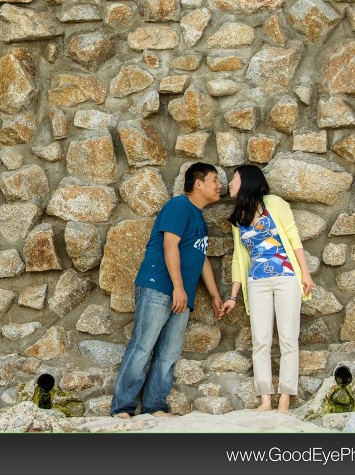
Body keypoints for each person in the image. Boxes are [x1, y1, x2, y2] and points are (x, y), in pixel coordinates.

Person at [110, 162, 223, 419]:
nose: (219, 186)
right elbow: (169, 246)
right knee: (142, 347)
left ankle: (155, 406)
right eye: (214, 180)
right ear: (199, 183)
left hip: (181, 294)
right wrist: (179, 288)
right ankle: (122, 408)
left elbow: (201, 258)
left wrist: (215, 295)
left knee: (168, 354)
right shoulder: (178, 207)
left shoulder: (199, 218)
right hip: (159, 287)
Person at [219, 165, 313, 415]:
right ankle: (265, 400)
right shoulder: (239, 217)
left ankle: (284, 399)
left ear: (247, 180)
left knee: (288, 339)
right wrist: (233, 296)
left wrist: (305, 273)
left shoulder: (275, 203)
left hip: (286, 277)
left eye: (234, 179)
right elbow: (239, 259)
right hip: (257, 283)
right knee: (260, 341)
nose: (229, 184)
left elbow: (293, 237)